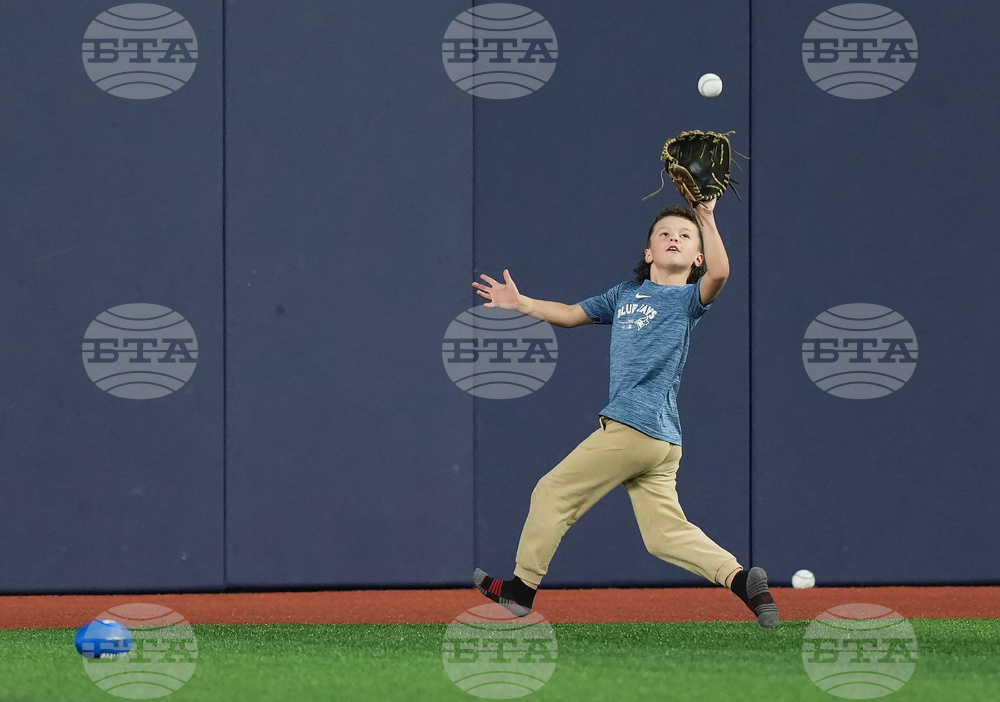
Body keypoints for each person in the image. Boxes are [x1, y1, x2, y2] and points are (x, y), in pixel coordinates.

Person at [469, 199, 779, 628]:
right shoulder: (624, 295)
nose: (674, 238)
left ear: (697, 258)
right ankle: (743, 580)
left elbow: (721, 274)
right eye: (665, 234)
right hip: (658, 440)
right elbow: (573, 315)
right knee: (663, 535)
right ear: (649, 252)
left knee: (552, 492)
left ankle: (521, 590)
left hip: (638, 426)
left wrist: (705, 217)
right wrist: (522, 304)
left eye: (685, 236)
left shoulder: (689, 298)